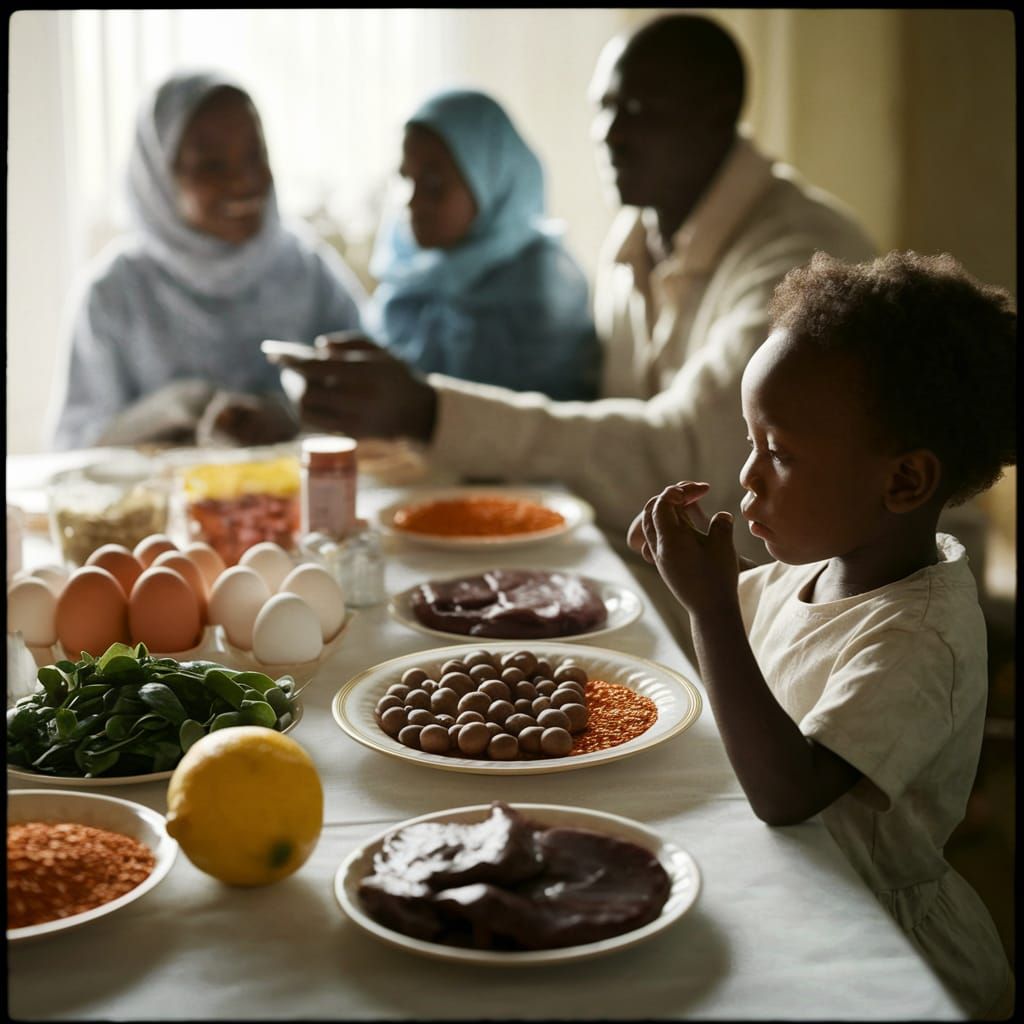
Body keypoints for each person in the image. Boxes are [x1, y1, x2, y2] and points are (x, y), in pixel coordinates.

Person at [268, 13, 874, 564]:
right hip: (667, 563)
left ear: (719, 111)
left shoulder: (800, 260)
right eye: (603, 107)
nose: (609, 134)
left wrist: (428, 409)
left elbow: (694, 467)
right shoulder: (638, 236)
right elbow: (610, 426)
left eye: (639, 110)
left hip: (818, 602)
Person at [629, 251, 1016, 1018]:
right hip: (796, 891)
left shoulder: (919, 638)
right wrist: (706, 583)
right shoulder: (817, 571)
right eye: (751, 441)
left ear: (903, 481)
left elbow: (788, 792)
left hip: (875, 946)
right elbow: (760, 662)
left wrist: (709, 608)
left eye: (780, 453)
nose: (748, 477)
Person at [49, 69, 366, 451]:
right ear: (159, 178)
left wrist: (291, 414)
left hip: (298, 501)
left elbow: (372, 394)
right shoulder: (114, 293)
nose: (243, 181)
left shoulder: (305, 268)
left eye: (255, 155)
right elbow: (74, 448)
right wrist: (168, 414)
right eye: (212, 165)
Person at [364, 87, 600, 400]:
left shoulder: (539, 288)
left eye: (434, 184)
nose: (412, 201)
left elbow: (534, 428)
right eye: (406, 178)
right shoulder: (409, 275)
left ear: (492, 180)